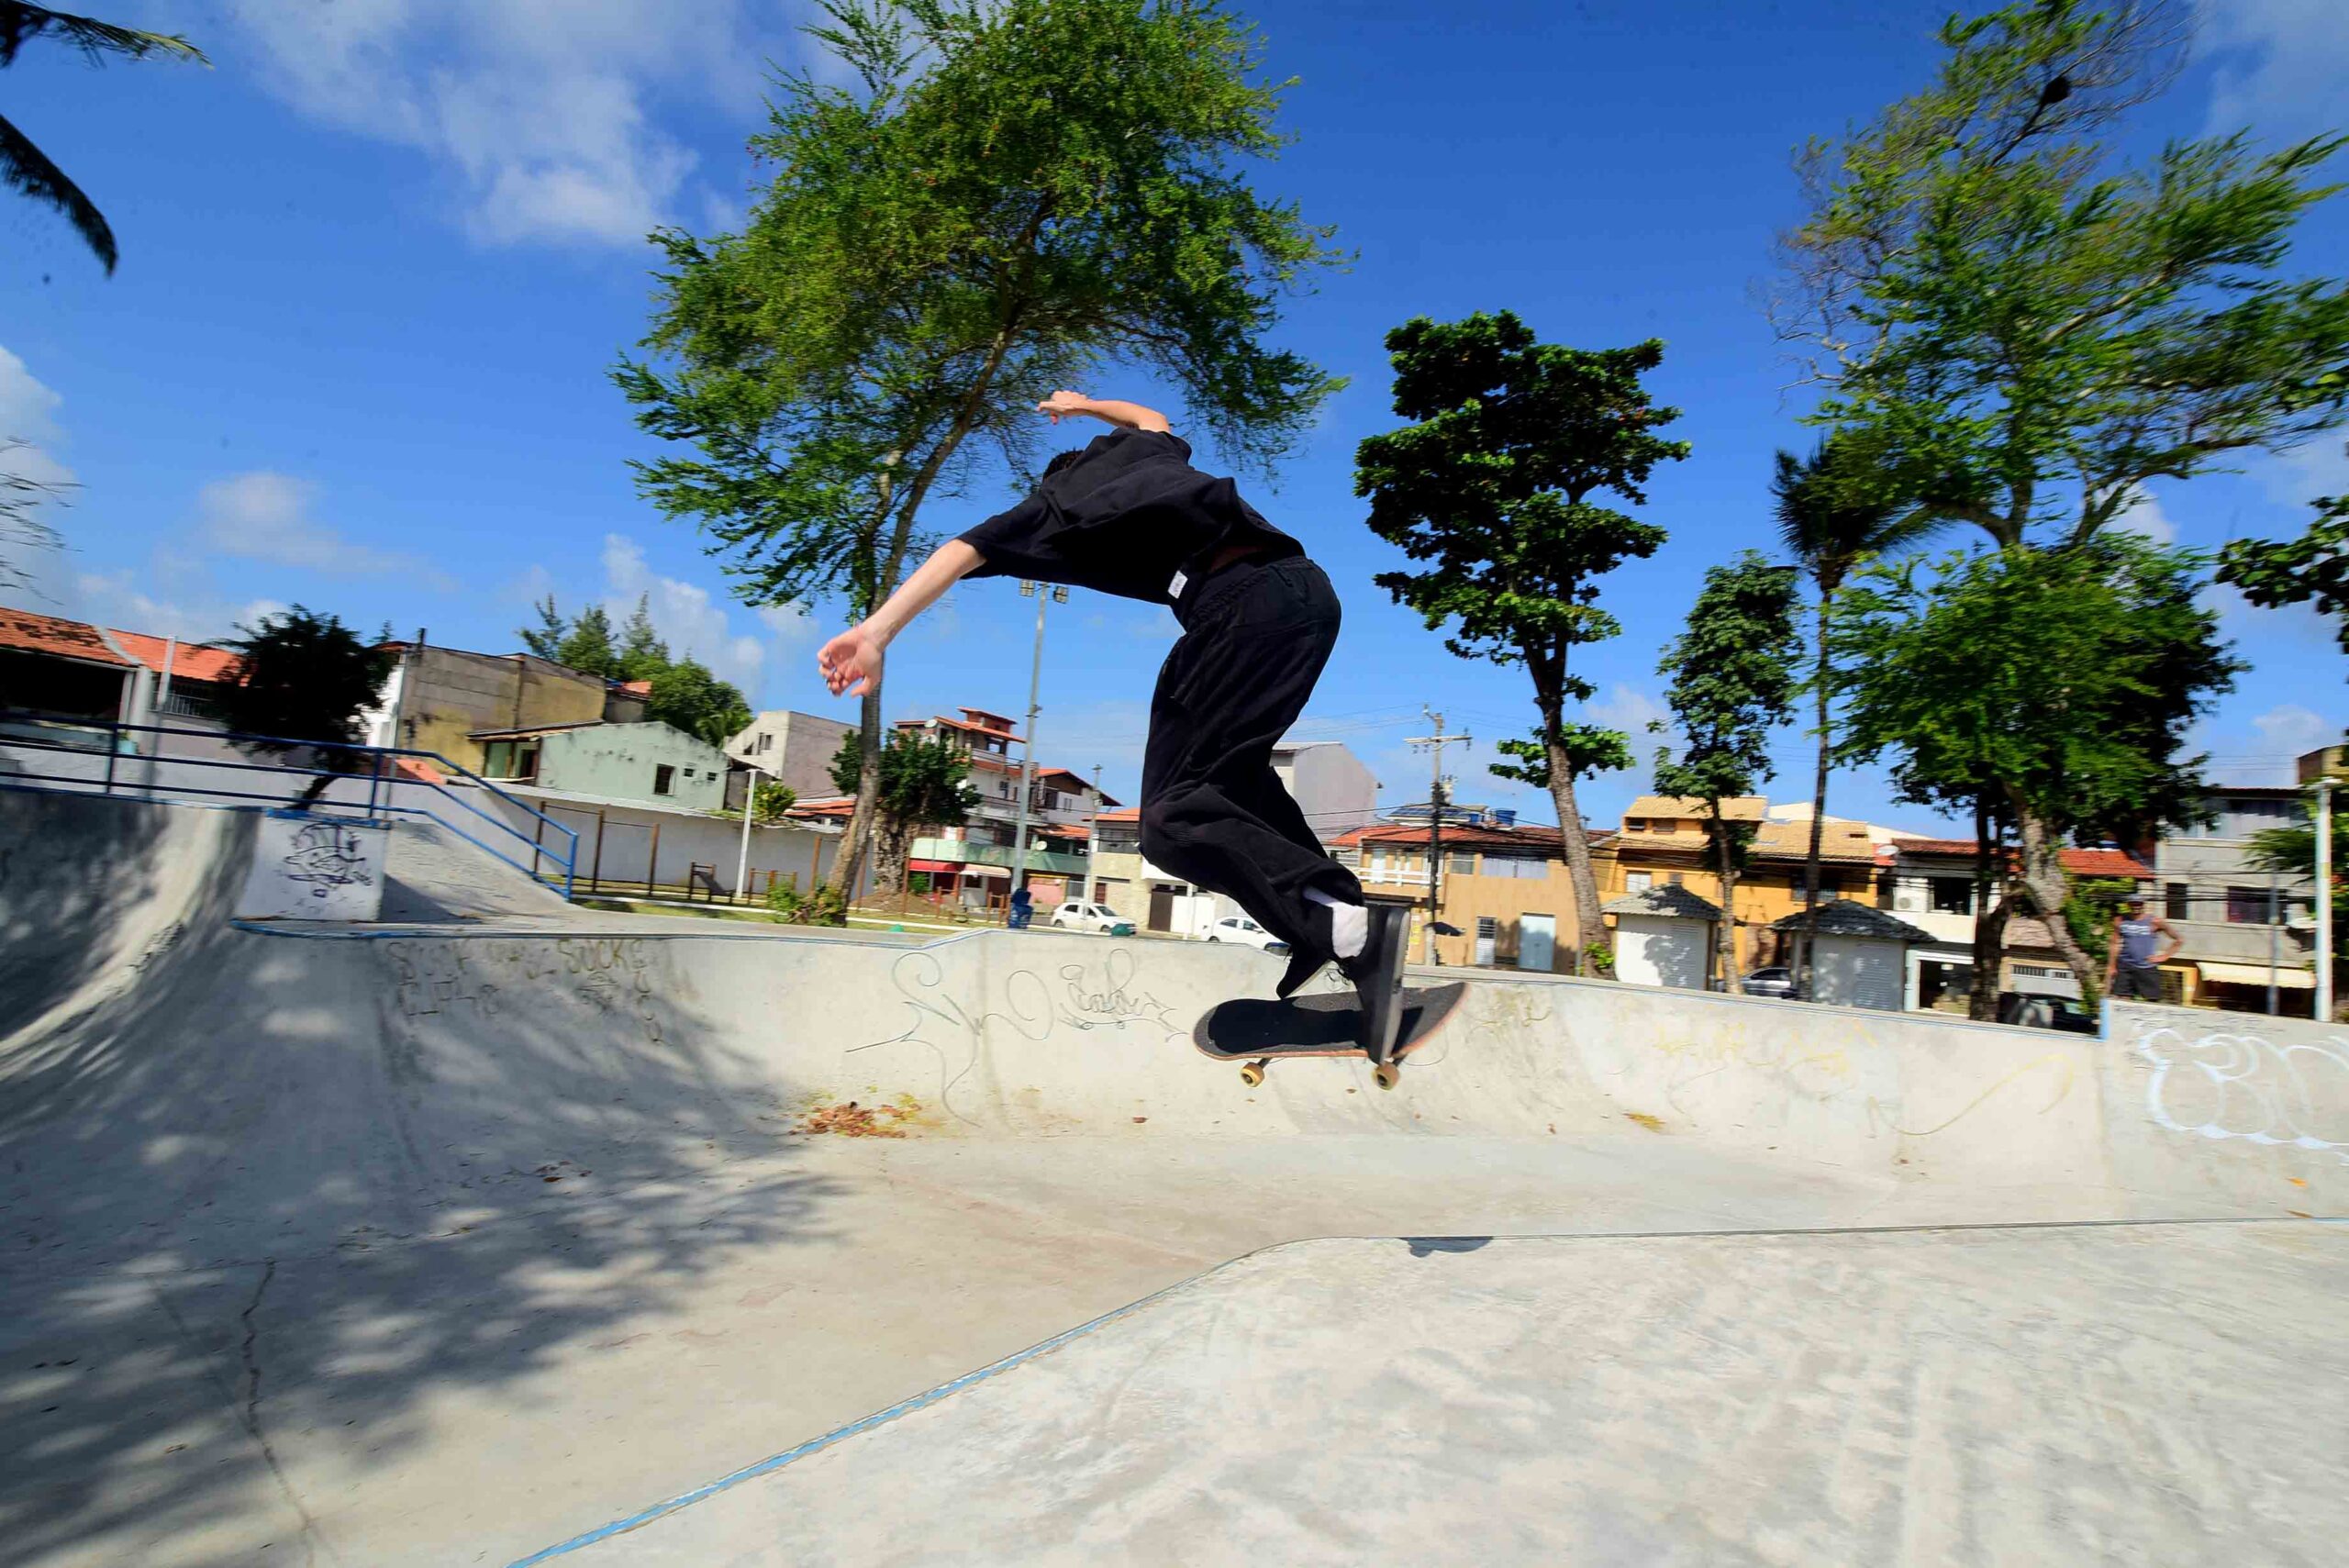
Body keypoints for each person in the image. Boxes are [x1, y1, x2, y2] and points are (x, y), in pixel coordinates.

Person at [818, 391, 1410, 1055]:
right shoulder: (1144, 449)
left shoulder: (1051, 507)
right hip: (1307, 593)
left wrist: (875, 631)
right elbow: (1148, 416)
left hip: (1240, 607)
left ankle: (1346, 931)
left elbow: (959, 552)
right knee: (1232, 777)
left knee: (1173, 816)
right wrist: (1084, 403)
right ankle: (1329, 921)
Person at [2106, 894, 2178, 1003]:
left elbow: (2178, 939)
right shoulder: (2120, 921)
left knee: (2153, 1001)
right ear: (2128, 905)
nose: (2136, 906)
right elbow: (2114, 943)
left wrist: (2164, 956)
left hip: (2146, 967)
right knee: (2122, 999)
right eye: (2133, 904)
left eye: (2139, 904)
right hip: (2126, 965)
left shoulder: (2154, 921)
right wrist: (2112, 966)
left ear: (2143, 905)